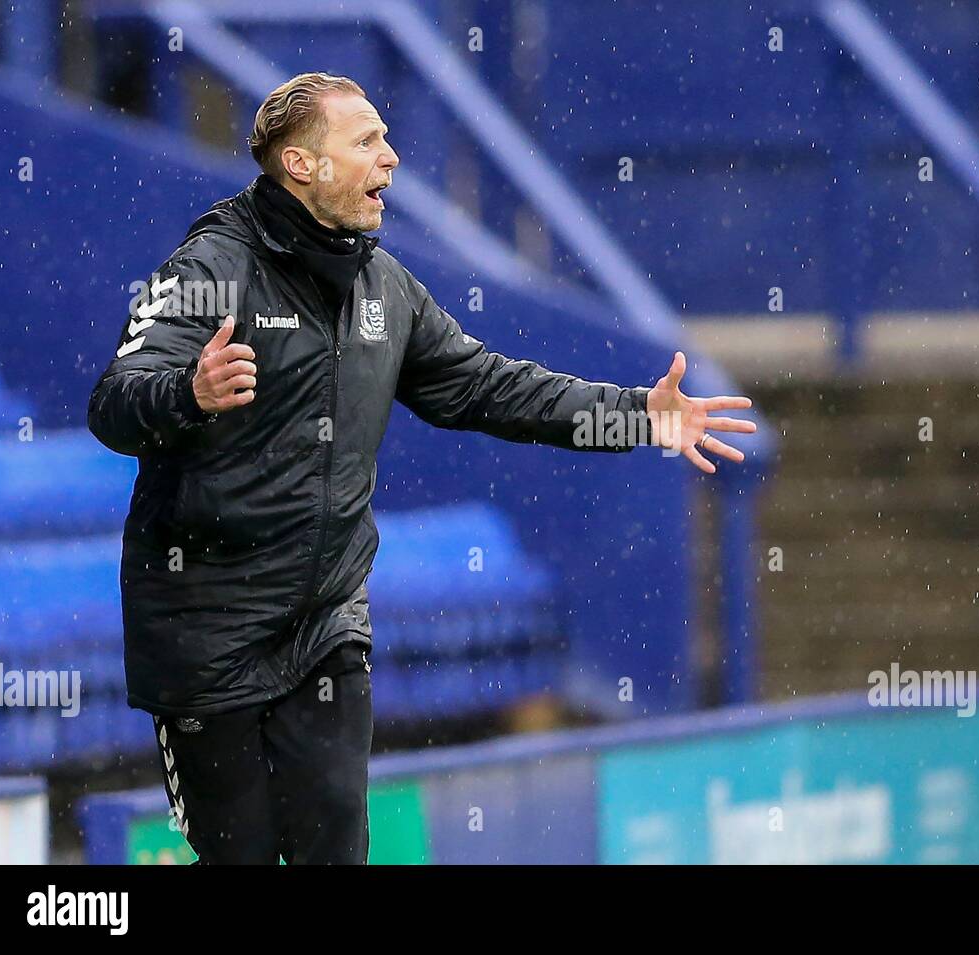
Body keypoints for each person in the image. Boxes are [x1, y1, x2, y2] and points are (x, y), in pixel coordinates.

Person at [86, 72, 756, 864]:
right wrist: (190, 394)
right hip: (206, 633)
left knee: (335, 845)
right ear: (302, 166)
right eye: (366, 141)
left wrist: (635, 415)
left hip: (324, 624)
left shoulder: (384, 287)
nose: (391, 158)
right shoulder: (210, 269)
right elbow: (114, 403)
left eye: (387, 140)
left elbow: (489, 386)